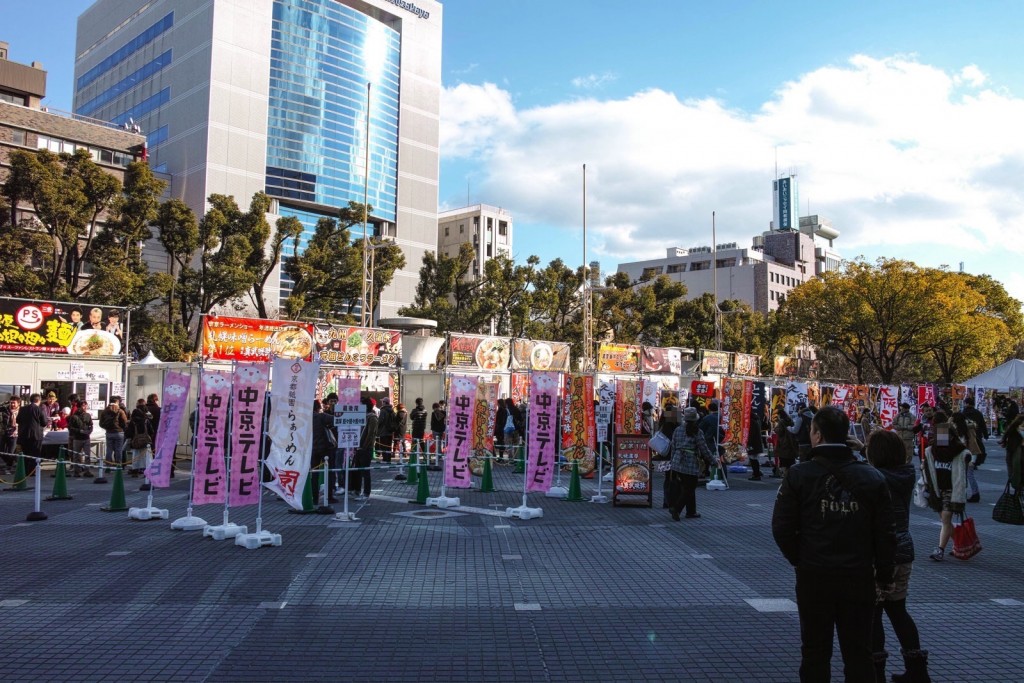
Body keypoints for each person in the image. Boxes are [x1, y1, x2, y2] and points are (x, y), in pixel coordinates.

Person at [771, 406, 896, 683]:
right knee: (859, 652)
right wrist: (884, 573)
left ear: (816, 434)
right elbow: (886, 532)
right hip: (859, 574)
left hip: (814, 574)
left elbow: (781, 527)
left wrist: (800, 558)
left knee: (815, 651)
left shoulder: (799, 475)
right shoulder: (872, 477)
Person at [866, 429, 931, 683]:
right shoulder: (906, 474)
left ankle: (875, 672)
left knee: (874, 613)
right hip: (904, 549)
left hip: (877, 552)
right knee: (898, 610)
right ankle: (917, 670)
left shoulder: (872, 478)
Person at [921, 411, 970, 562]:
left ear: (951, 436)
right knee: (945, 521)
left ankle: (940, 549)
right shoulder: (931, 451)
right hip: (936, 490)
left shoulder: (959, 452)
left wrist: (968, 458)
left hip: (952, 490)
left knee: (946, 518)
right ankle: (961, 545)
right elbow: (926, 469)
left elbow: (967, 455)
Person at [666, 407, 716, 521]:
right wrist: (713, 461)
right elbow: (704, 449)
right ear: (695, 419)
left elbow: (673, 446)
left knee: (687, 487)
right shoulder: (697, 431)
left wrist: (672, 461)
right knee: (689, 488)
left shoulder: (678, 429)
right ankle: (676, 509)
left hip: (677, 461)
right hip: (690, 462)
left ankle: (691, 511)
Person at [349, 396, 378, 499]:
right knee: (357, 470)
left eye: (361, 404)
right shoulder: (360, 416)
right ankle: (356, 490)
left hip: (366, 448)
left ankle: (366, 493)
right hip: (357, 447)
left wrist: (365, 446)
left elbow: (371, 434)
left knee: (365, 471)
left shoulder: (372, 417)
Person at [311, 399, 339, 502]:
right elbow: (336, 419)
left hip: (312, 450)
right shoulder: (321, 416)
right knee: (329, 472)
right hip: (326, 449)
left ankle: (314, 498)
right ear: (318, 408)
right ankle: (329, 496)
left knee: (314, 474)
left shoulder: (305, 419)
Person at [124, 398, 154, 476]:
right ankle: (147, 471)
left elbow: (128, 433)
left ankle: (135, 470)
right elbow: (151, 431)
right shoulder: (146, 420)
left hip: (135, 442)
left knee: (136, 457)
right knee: (147, 458)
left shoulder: (132, 421)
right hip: (145, 441)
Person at [68, 400, 95, 477]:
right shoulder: (74, 416)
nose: (85, 407)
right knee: (76, 455)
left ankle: (87, 471)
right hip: (77, 438)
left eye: (86, 405)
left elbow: (91, 425)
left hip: (86, 438)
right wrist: (79, 431)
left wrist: (89, 431)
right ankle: (77, 471)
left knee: (87, 455)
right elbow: (70, 427)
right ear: (79, 407)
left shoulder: (88, 415)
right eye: (83, 405)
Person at [99, 400, 129, 468]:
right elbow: (125, 422)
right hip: (119, 432)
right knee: (118, 449)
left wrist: (107, 428)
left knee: (109, 449)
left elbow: (101, 423)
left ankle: (108, 466)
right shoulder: (120, 411)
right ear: (116, 402)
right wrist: (121, 427)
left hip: (109, 432)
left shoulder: (105, 411)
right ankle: (118, 465)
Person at [773, 406, 798, 477]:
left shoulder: (781, 422)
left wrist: (776, 427)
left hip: (783, 444)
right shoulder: (790, 421)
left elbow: (779, 431)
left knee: (783, 461)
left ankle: (785, 476)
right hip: (791, 443)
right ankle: (790, 476)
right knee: (790, 462)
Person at [0, 396, 20, 472]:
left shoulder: (22, 411)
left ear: (18, 403)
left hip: (15, 434)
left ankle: (10, 465)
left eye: (14, 403)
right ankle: (11, 462)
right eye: (11, 402)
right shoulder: (6, 409)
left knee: (11, 452)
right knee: (1, 451)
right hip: (5, 432)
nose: (12, 405)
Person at [376, 397, 396, 463]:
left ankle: (385, 458)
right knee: (389, 445)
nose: (382, 403)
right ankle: (388, 458)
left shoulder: (383, 410)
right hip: (390, 431)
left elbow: (380, 421)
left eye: (383, 402)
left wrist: (377, 427)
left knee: (383, 445)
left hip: (383, 431)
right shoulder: (392, 411)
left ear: (385, 402)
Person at [430, 401, 446, 466]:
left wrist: (432, 428)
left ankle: (439, 455)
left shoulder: (433, 413)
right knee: (440, 443)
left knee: (437, 443)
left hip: (435, 430)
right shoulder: (444, 412)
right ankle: (440, 455)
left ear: (434, 408)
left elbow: (432, 422)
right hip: (441, 430)